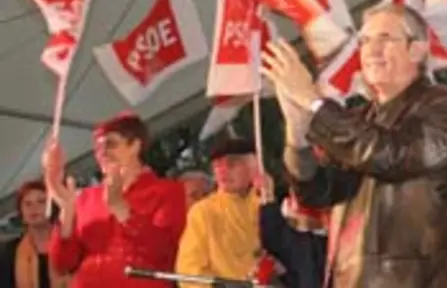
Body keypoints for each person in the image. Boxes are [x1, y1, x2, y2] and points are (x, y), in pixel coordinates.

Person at [263, 3, 447, 287]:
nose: (371, 50)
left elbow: (391, 157)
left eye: (385, 38)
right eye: (364, 41)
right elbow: (318, 192)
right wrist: (297, 135)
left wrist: (314, 102)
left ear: (417, 50)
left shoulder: (442, 105)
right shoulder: (359, 120)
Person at [42, 113, 186, 287]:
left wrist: (120, 207)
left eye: (111, 144)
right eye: (97, 148)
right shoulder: (88, 198)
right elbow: (62, 264)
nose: (102, 152)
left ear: (135, 146)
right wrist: (67, 211)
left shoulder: (167, 191)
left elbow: (163, 252)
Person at [175, 137, 279, 287]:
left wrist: (269, 198)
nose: (222, 171)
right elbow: (189, 273)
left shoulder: (265, 203)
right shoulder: (204, 212)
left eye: (232, 164)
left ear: (253, 167)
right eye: (217, 166)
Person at [0, 181, 67, 287]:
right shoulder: (10, 251)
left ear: (53, 207)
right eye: (27, 204)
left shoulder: (71, 243)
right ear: (21, 212)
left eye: (41, 201)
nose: (33, 208)